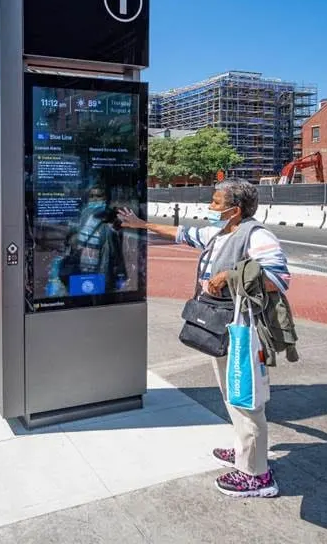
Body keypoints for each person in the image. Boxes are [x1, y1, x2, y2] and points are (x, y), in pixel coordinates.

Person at [118, 178, 289, 498]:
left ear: (235, 210)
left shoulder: (257, 236)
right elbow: (182, 233)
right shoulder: (221, 232)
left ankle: (257, 474)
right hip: (222, 325)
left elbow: (278, 279)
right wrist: (141, 224)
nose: (209, 208)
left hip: (243, 330)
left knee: (245, 397)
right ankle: (244, 451)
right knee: (230, 392)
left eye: (215, 202)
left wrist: (229, 276)